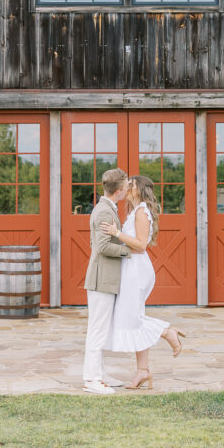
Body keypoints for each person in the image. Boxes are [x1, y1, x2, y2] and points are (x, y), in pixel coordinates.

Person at [100, 175, 185, 389]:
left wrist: (116, 233)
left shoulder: (142, 211)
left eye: (132, 184)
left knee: (131, 319)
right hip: (130, 268)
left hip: (137, 270)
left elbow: (140, 245)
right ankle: (142, 371)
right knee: (133, 319)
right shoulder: (134, 211)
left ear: (140, 189)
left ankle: (167, 332)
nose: (128, 185)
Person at [82, 167, 131, 395]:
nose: (129, 188)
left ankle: (100, 373)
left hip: (106, 278)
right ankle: (91, 379)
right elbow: (101, 247)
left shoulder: (106, 208)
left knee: (102, 328)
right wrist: (128, 249)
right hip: (101, 279)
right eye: (127, 185)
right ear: (119, 191)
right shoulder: (104, 211)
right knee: (97, 330)